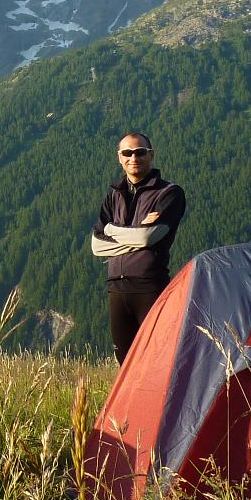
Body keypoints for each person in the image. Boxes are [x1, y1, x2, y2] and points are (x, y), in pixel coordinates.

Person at [90, 132, 186, 363]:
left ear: (151, 155)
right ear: (119, 158)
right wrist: (137, 232)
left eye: (140, 152)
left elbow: (148, 238)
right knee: (125, 364)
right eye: (127, 153)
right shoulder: (114, 195)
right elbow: (96, 246)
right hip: (116, 289)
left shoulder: (170, 193)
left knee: (157, 361)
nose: (134, 157)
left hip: (149, 287)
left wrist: (112, 230)